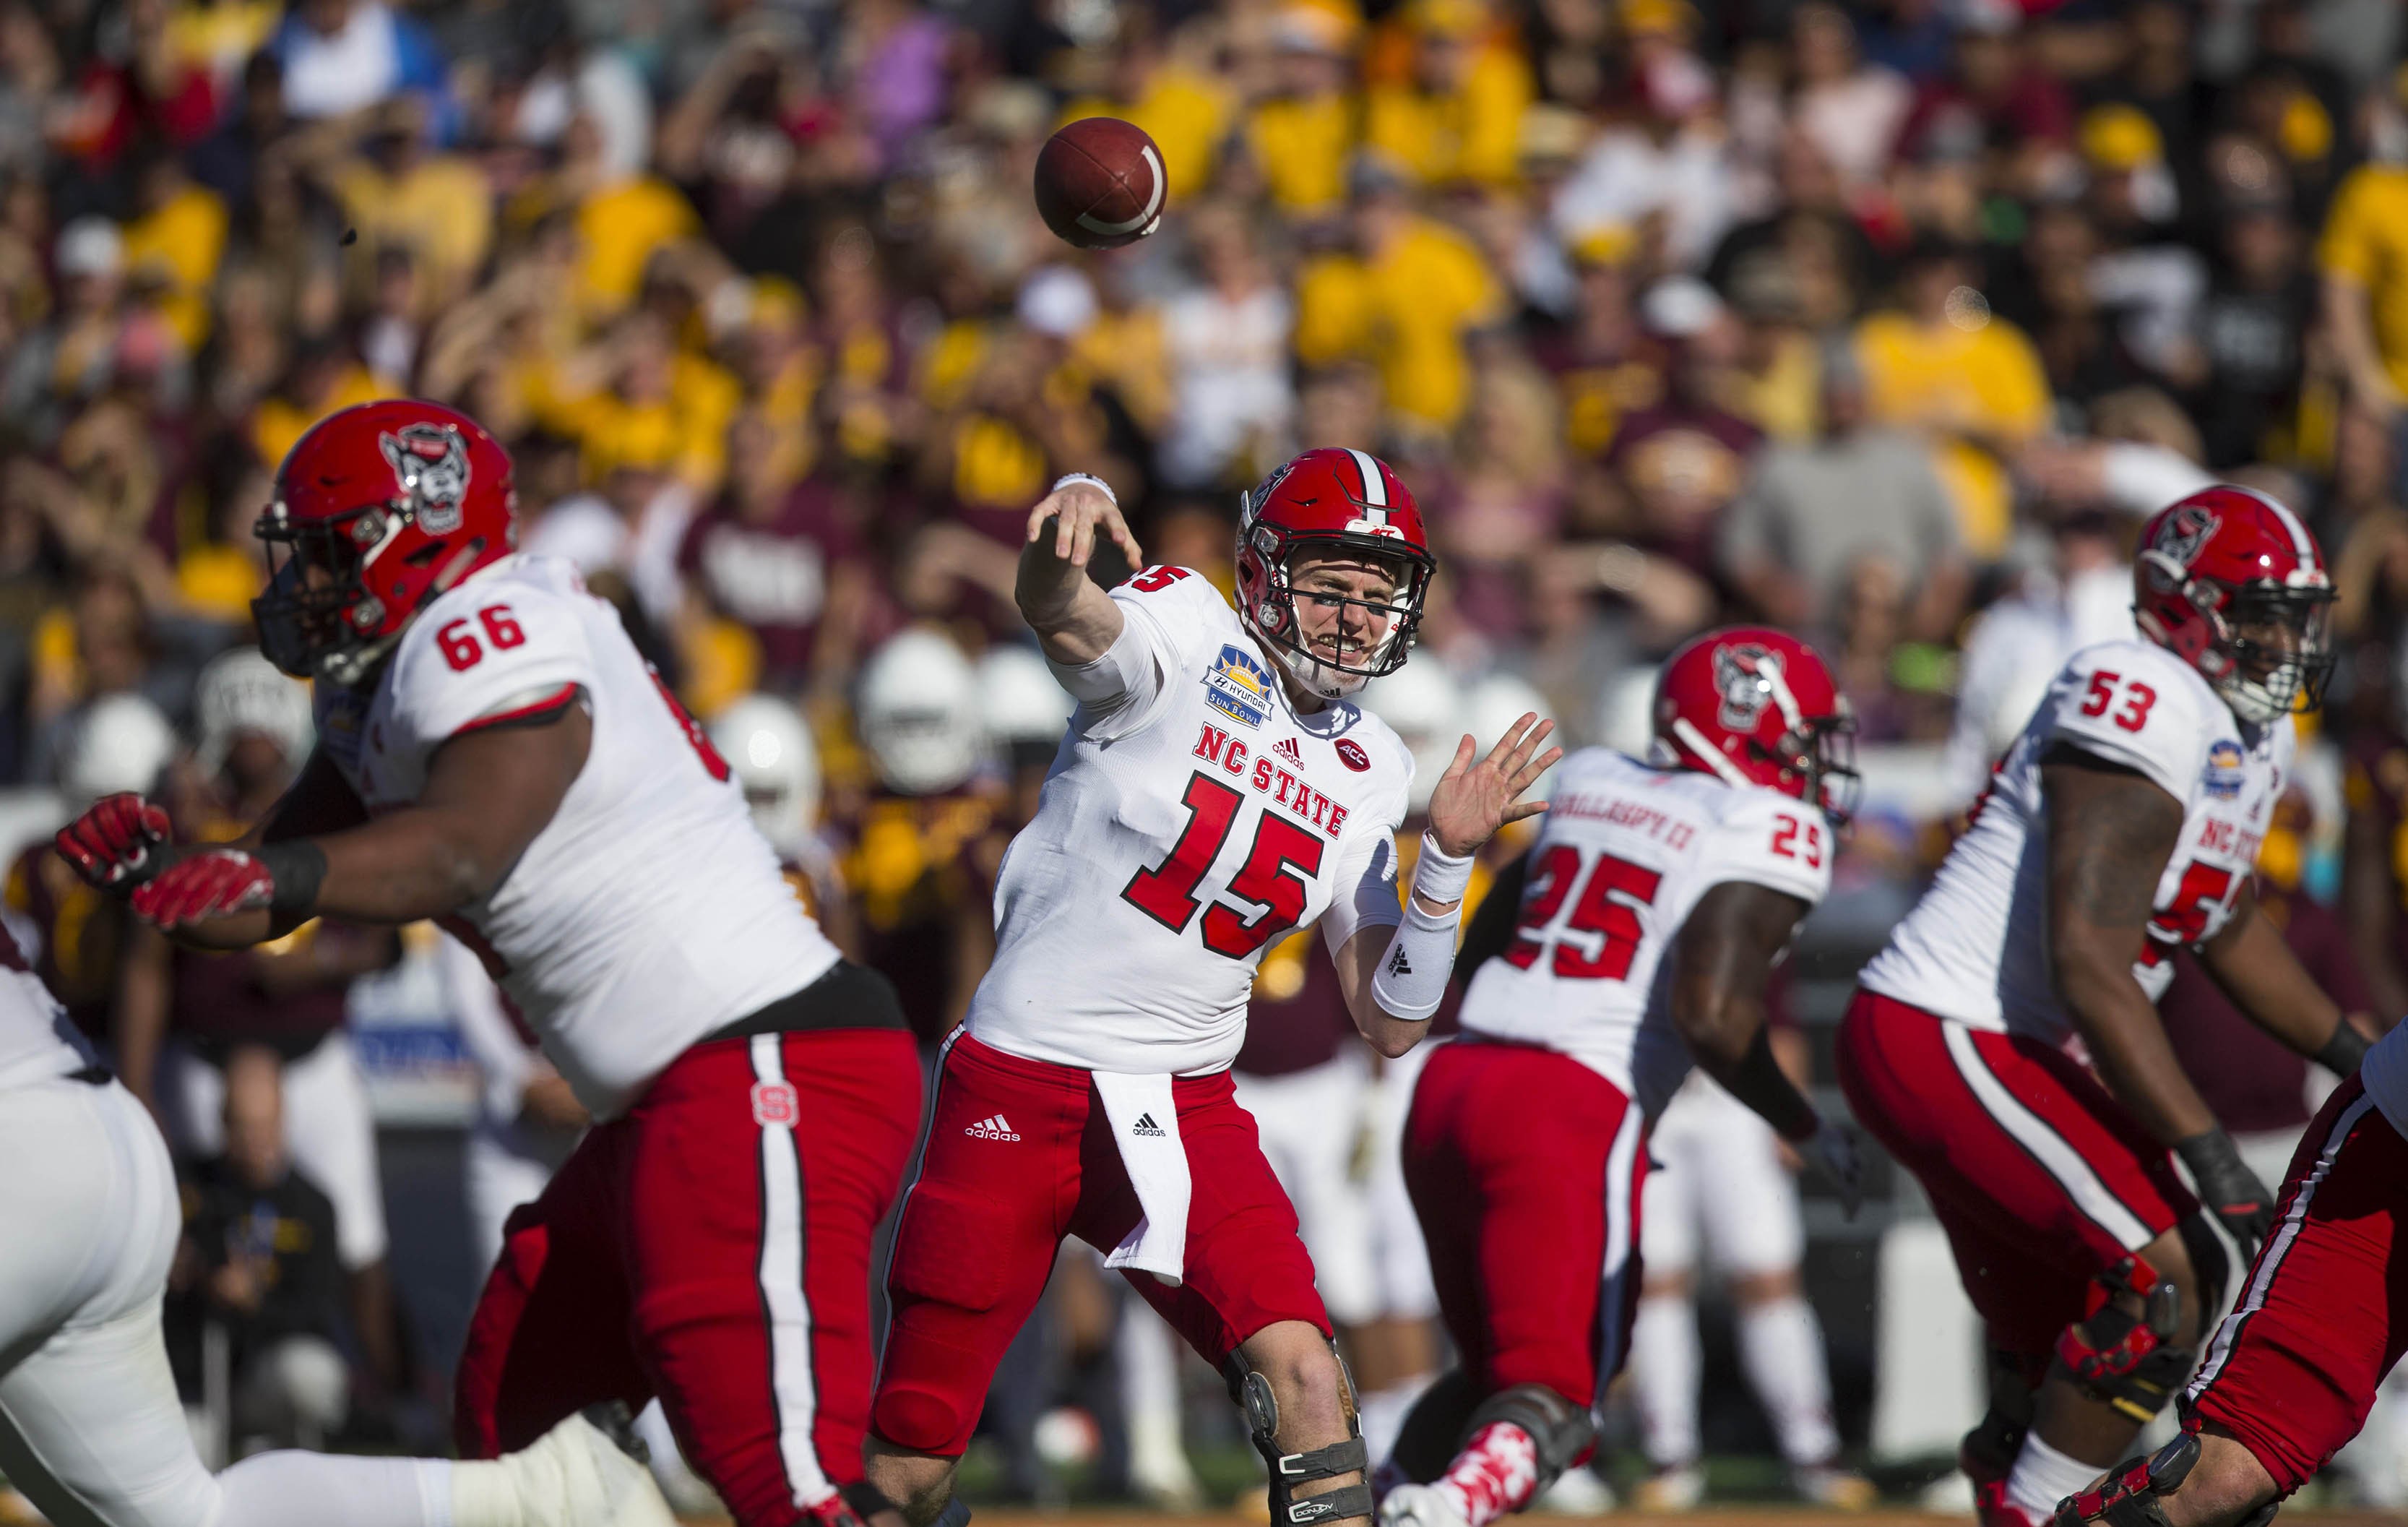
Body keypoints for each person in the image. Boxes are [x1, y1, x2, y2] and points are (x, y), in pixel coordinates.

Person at [53, 400, 921, 1527]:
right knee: (520, 1417)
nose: (301, 578)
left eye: (325, 549)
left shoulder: (495, 623)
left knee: (775, 1479)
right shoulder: (382, 678)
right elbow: (275, 887)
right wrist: (167, 876)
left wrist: (267, 882)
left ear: (411, 535)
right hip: (669, 1098)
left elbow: (464, 846)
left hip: (765, 1063)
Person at [863, 448, 1558, 1527]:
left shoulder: (1372, 762)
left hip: (1181, 1102)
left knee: (1309, 1383)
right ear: (1264, 569)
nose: (1352, 620)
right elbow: (1066, 618)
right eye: (1331, 586)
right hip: (1021, 1076)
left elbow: (1392, 1014)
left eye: (1377, 599)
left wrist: (1448, 860)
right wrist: (1063, 543)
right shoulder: (1187, 626)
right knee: (910, 1460)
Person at [1837, 485, 2376, 1527]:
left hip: (2010, 1044)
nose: (2285, 641)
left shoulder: (2243, 731)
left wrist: (2359, 1052)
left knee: (2070, 1341)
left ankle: (2017, 1492)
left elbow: (2219, 919)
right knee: (2169, 1271)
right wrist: (2209, 1151)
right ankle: (2042, 1513)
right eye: (2259, 615)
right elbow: (2087, 957)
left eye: (2295, 616)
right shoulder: (2137, 686)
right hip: (1948, 1024)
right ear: (2181, 606)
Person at [1376, 627, 1863, 1527]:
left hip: (1455, 1082)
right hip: (1566, 1100)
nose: (1810, 764)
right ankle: (1440, 1512)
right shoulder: (1766, 823)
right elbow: (1714, 1017)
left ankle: (1369, 1502)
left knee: (1492, 1376)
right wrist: (1803, 1124)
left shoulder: (1598, 779)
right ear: (1746, 727)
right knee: (1558, 1400)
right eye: (1798, 739)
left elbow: (1487, 942)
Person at [0, 914, 672, 1527]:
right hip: (102, 1127)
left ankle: (413, 1406)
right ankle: (555, 1489)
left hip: (27, 1146)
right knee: (185, 1515)